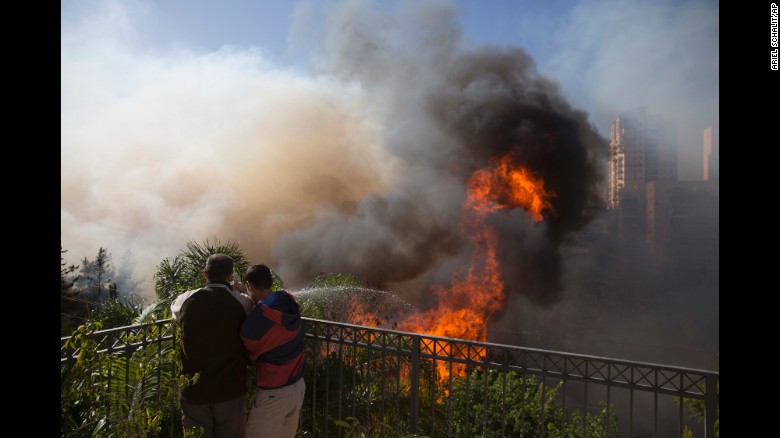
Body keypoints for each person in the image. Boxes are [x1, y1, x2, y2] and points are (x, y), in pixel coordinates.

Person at [170, 253, 254, 438]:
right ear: (230, 276)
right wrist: (240, 291)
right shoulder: (241, 303)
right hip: (230, 393)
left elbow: (174, 310)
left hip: (195, 394)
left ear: (205, 274)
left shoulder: (186, 300)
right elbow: (252, 308)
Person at [239, 264, 306, 438]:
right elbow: (269, 306)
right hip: (297, 388)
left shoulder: (255, 324)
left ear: (250, 286)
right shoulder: (288, 300)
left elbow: (250, 356)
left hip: (273, 395)